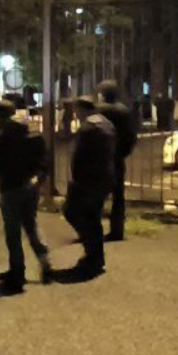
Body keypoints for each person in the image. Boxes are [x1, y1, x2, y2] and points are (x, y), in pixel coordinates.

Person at [0, 99, 51, 292]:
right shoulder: (32, 130)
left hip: (10, 186)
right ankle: (44, 260)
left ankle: (17, 272)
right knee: (31, 224)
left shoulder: (0, 136)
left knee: (13, 232)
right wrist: (38, 178)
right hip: (30, 185)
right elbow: (44, 158)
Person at [63, 95, 115, 277]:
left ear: (81, 109)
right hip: (104, 178)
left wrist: (76, 180)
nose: (75, 114)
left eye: (76, 110)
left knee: (74, 213)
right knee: (93, 218)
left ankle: (93, 257)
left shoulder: (88, 128)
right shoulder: (106, 123)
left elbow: (80, 158)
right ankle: (96, 258)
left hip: (88, 181)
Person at [97, 79, 138, 241]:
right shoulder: (124, 111)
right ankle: (117, 230)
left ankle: (93, 229)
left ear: (102, 94)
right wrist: (122, 153)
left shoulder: (98, 111)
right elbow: (131, 136)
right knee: (118, 196)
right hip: (117, 158)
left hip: (100, 158)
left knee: (96, 195)